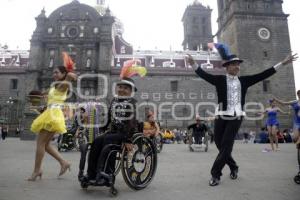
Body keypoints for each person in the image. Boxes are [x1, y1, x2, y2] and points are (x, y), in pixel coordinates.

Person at [186, 44, 297, 186]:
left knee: (226, 144)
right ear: (227, 66)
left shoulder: (244, 80)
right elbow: (204, 74)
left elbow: (264, 74)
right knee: (220, 144)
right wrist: (193, 64)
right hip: (221, 115)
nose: (237, 67)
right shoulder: (219, 80)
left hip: (237, 116)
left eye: (238, 64)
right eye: (234, 64)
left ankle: (215, 174)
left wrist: (283, 63)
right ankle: (233, 166)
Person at [84, 77, 138, 184]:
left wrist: (128, 140)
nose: (122, 90)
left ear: (131, 91)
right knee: (97, 141)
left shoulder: (132, 102)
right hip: (113, 132)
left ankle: (107, 174)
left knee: (108, 142)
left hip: (124, 134)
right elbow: (109, 117)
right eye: (120, 87)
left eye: (126, 88)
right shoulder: (114, 101)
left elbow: (131, 122)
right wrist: (101, 128)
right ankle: (92, 174)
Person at [27, 64, 77, 181]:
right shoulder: (55, 86)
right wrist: (36, 97)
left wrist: (69, 73)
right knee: (46, 145)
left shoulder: (63, 85)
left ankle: (37, 170)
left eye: (57, 72)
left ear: (63, 74)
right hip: (51, 113)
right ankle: (64, 162)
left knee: (40, 143)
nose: (54, 74)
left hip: (53, 115)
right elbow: (44, 95)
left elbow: (70, 77)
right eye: (53, 72)